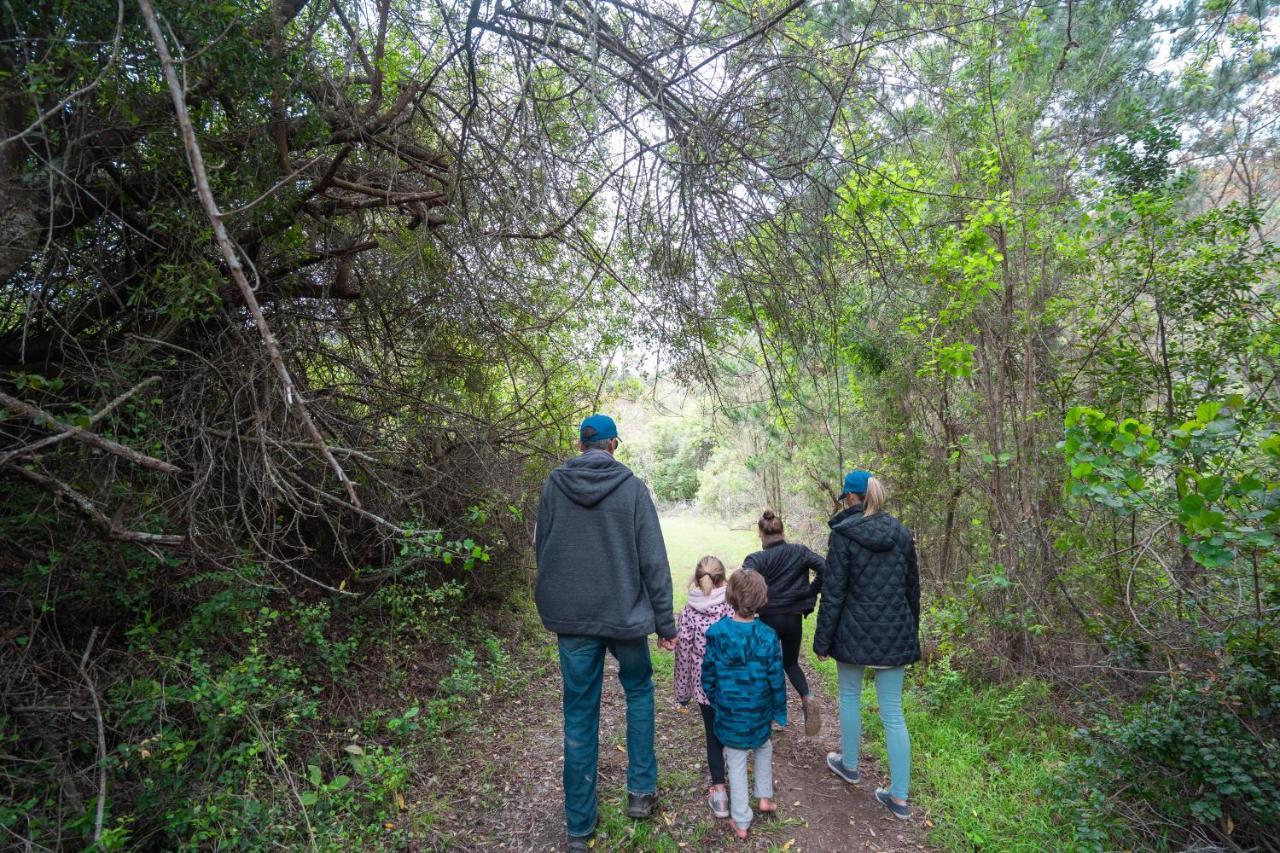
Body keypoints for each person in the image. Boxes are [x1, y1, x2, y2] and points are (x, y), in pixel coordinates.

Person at [534, 414, 678, 851]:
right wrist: (665, 624)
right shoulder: (632, 489)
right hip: (625, 617)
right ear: (613, 444)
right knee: (638, 690)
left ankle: (579, 828)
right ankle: (640, 793)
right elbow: (653, 558)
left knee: (579, 713)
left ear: (581, 444)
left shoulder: (553, 486)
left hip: (574, 620)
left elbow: (543, 548)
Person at [813, 470, 920, 820]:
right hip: (895, 632)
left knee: (849, 696)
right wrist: (909, 631)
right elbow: (912, 590)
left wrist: (822, 639)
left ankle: (850, 764)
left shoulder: (843, 535)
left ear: (849, 497)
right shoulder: (901, 533)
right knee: (893, 713)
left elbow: (834, 593)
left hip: (852, 632)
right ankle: (899, 798)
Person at [701, 570, 787, 840]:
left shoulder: (717, 633)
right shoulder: (768, 636)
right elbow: (776, 677)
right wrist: (779, 709)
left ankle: (740, 821)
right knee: (764, 746)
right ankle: (764, 797)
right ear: (762, 600)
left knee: (736, 761)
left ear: (729, 598)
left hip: (730, 713)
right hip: (759, 712)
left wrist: (718, 701)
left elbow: (708, 675)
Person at [742, 508, 824, 735]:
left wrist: (758, 601)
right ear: (782, 531)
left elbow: (745, 580)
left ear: (761, 533)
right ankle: (808, 697)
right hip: (793, 618)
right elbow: (825, 568)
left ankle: (764, 717)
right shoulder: (799, 551)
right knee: (790, 663)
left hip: (767, 618)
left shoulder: (756, 558)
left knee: (763, 665)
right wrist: (808, 592)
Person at [673, 555, 736, 819]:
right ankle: (741, 790)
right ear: (724, 577)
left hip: (704, 684)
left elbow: (683, 652)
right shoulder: (734, 605)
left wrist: (682, 692)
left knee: (712, 736)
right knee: (733, 733)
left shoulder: (689, 611)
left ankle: (720, 796)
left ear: (697, 579)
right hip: (734, 682)